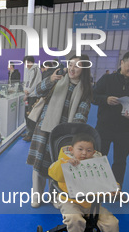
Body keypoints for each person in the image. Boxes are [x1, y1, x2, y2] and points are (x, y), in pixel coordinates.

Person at [48, 132, 127, 232]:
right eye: (80, 149)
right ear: (72, 149)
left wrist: (115, 189)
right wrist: (64, 163)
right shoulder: (64, 160)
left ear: (93, 151)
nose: (84, 153)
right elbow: (53, 173)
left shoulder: (97, 163)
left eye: (89, 150)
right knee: (74, 218)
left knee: (112, 222)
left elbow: (108, 180)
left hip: (92, 204)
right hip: (69, 201)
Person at [26, 55, 94, 208]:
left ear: (84, 69)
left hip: (65, 132)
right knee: (39, 162)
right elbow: (36, 91)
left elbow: (82, 113)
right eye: (70, 64)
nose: (72, 68)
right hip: (44, 126)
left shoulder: (86, 89)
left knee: (58, 163)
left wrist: (72, 131)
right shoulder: (57, 79)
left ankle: (54, 195)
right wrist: (50, 79)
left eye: (77, 66)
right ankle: (37, 195)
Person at [92, 51, 129, 187]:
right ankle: (96, 186)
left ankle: (116, 188)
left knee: (120, 160)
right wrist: (105, 99)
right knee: (98, 158)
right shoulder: (107, 79)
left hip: (126, 130)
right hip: (104, 128)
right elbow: (92, 96)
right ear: (122, 63)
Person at [23, 56, 42, 141]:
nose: (26, 65)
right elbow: (27, 82)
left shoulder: (35, 69)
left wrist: (27, 92)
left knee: (31, 115)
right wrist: (25, 90)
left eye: (27, 62)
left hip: (33, 96)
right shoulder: (28, 70)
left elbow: (33, 83)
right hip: (28, 95)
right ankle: (28, 132)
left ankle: (31, 134)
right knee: (26, 114)